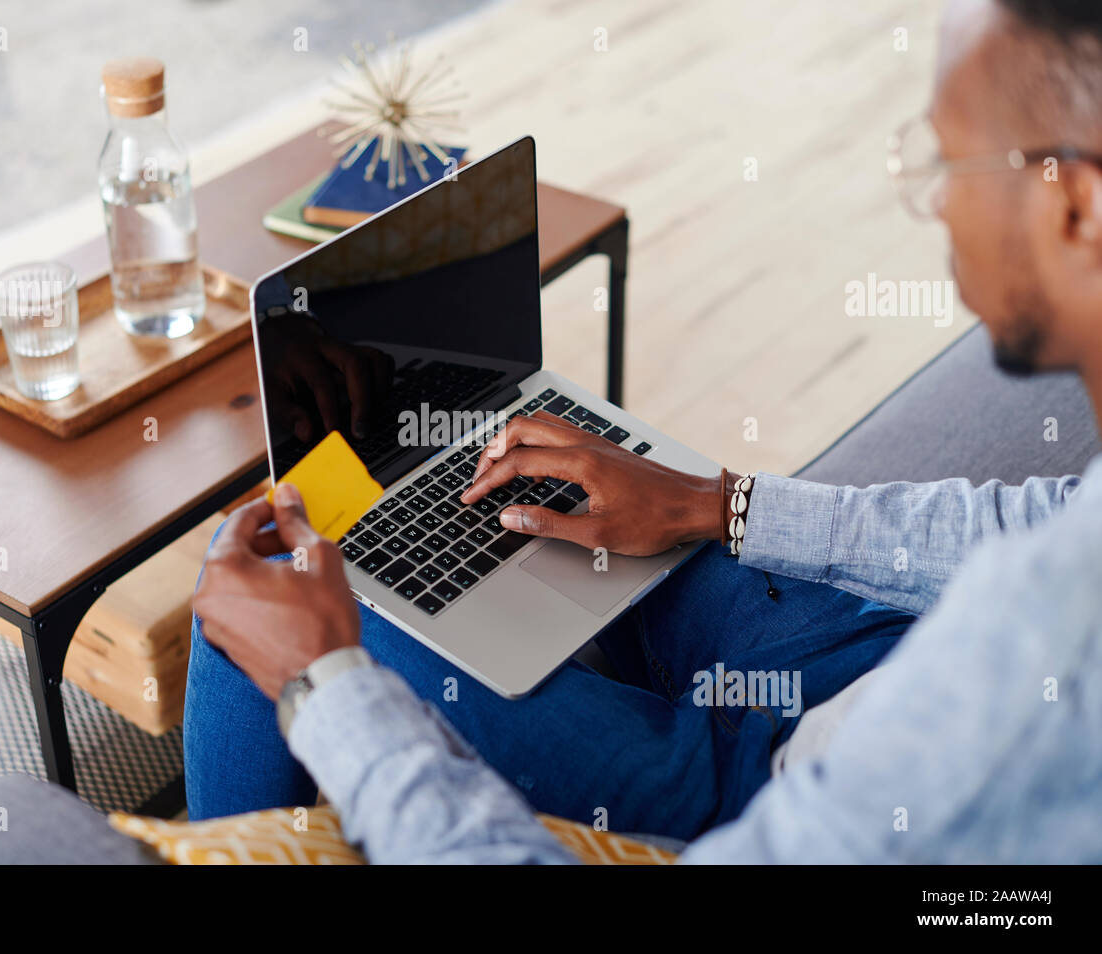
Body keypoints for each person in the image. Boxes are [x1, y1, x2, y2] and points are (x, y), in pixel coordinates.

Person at [185, 0, 1102, 863]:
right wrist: (718, 505)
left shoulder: (1019, 707)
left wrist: (326, 688)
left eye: (948, 163)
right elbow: (1038, 519)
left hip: (763, 789)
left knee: (268, 568)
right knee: (505, 488)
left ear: (1079, 208)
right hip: (871, 655)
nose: (936, 201)